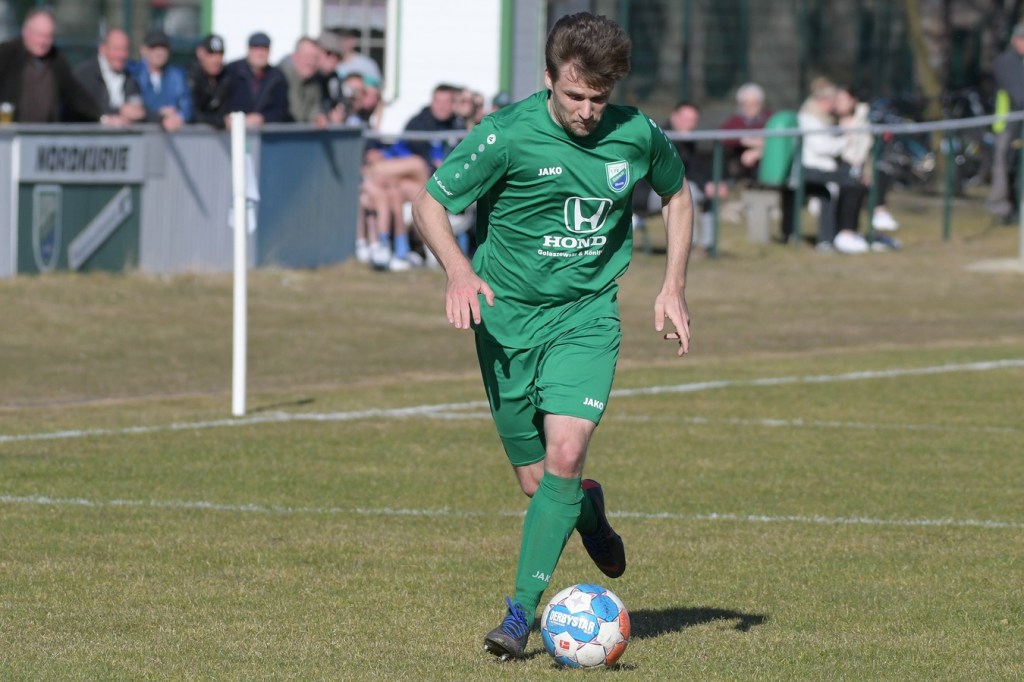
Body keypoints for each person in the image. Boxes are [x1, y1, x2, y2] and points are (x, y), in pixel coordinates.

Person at [411, 12, 692, 660]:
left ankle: (518, 616)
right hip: (505, 324)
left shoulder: (636, 133)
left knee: (565, 456)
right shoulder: (506, 135)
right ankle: (588, 512)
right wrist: (458, 271)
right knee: (540, 485)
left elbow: (677, 195)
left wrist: (673, 284)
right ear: (547, 78)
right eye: (575, 96)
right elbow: (429, 204)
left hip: (586, 317)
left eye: (599, 97)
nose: (588, 111)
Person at [633, 101, 728, 254]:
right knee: (689, 191)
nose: (689, 124)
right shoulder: (660, 136)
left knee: (706, 193)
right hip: (645, 194)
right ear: (674, 117)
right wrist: (704, 185)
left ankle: (708, 246)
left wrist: (711, 185)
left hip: (670, 190)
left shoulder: (688, 140)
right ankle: (689, 246)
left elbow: (695, 169)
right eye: (685, 119)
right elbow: (674, 173)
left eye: (693, 120)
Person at [0, 9, 119, 124]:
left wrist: (102, 117)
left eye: (48, 36)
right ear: (26, 32)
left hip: (45, 133)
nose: (43, 41)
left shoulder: (55, 59)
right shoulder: (6, 54)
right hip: (9, 132)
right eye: (39, 35)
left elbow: (75, 94)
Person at [798, 77, 870, 253]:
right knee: (852, 181)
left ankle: (837, 236)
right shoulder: (810, 118)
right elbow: (823, 147)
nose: (835, 105)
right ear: (823, 101)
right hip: (813, 169)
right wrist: (845, 138)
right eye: (833, 101)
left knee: (852, 181)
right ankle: (844, 233)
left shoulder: (825, 118)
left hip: (825, 168)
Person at [833, 85, 901, 235]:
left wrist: (864, 169)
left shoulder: (862, 119)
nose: (839, 103)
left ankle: (878, 214)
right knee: (853, 182)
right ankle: (847, 232)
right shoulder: (831, 120)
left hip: (858, 165)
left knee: (879, 173)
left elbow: (865, 148)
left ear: (853, 101)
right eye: (837, 99)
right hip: (837, 166)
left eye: (842, 99)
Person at [988, 23, 1024, 223]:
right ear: (1014, 40)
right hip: (1008, 125)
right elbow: (1019, 95)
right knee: (1003, 167)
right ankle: (1002, 210)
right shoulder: (1006, 62)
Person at [72, 28, 145, 124]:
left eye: (125, 49)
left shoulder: (131, 77)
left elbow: (138, 108)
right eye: (117, 49)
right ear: (102, 49)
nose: (121, 55)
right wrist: (117, 112)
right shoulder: (84, 75)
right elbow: (81, 108)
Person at [126, 28, 193, 132]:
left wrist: (178, 117)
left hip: (171, 136)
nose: (159, 53)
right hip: (141, 135)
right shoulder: (133, 74)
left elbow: (187, 108)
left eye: (163, 48)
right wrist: (159, 115)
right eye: (154, 48)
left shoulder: (177, 77)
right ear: (144, 50)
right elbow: (132, 109)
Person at [222, 31, 290, 128]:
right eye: (256, 48)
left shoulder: (277, 77)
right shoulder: (231, 71)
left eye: (264, 49)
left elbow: (282, 111)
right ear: (248, 50)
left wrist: (262, 118)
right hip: (231, 131)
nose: (260, 53)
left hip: (265, 134)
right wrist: (226, 119)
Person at [719, 82, 772, 185]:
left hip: (768, 164)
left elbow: (781, 142)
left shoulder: (770, 118)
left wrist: (759, 152)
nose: (749, 107)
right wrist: (745, 140)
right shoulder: (735, 121)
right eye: (745, 104)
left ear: (761, 104)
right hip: (742, 165)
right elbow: (723, 136)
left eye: (754, 103)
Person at [279, 36, 326, 124]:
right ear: (295, 57)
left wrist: (317, 117)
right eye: (306, 56)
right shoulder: (280, 79)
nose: (310, 62)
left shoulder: (315, 82)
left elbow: (313, 108)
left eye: (315, 58)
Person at [187, 33, 229, 129]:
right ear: (200, 53)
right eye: (211, 54)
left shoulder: (225, 77)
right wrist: (220, 121)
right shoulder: (191, 76)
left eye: (220, 54)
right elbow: (191, 113)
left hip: (218, 136)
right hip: (191, 135)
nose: (216, 60)